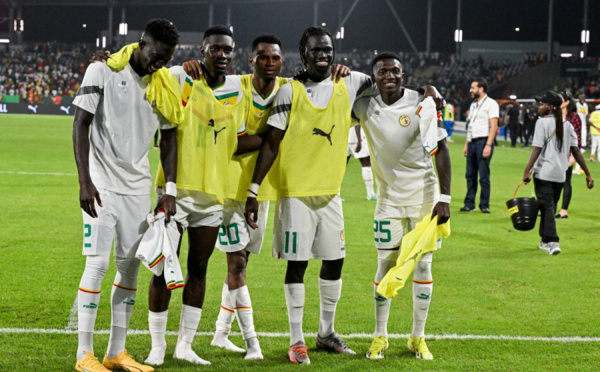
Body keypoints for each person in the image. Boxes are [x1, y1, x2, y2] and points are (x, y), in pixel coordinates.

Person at [181, 34, 349, 359]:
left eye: (275, 58)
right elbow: (235, 143)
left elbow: (317, 83)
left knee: (242, 260)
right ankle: (252, 344)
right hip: (230, 190)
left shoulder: (287, 87)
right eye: (263, 58)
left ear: (282, 62)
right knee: (236, 263)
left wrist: (338, 72)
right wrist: (278, 135)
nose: (269, 63)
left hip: (263, 189)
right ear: (251, 60)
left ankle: (220, 332)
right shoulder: (236, 88)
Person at [244, 26, 378, 365]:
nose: (324, 55)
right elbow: (272, 142)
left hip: (331, 194)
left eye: (329, 50)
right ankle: (296, 340)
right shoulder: (289, 90)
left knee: (335, 260)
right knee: (298, 263)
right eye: (317, 50)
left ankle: (326, 333)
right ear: (303, 54)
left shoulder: (349, 81)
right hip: (296, 194)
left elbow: (388, 81)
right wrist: (254, 190)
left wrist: (427, 92)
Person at [144, 25, 261, 366]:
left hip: (214, 195)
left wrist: (273, 139)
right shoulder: (181, 77)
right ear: (203, 50)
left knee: (198, 268)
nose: (222, 55)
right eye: (215, 49)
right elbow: (150, 74)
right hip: (176, 192)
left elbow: (237, 140)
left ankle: (185, 345)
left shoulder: (238, 92)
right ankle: (157, 346)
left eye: (227, 50)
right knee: (164, 269)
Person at [72, 19, 181, 372]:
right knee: (98, 263)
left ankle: (116, 352)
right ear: (141, 43)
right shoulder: (101, 70)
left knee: (130, 269)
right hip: (102, 184)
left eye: (166, 58)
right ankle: (83, 354)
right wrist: (84, 181)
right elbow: (80, 123)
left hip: (138, 187)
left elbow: (169, 140)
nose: (159, 63)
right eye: (155, 55)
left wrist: (169, 191)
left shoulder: (163, 84)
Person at [352, 52, 450, 361]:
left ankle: (417, 337)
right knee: (386, 263)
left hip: (424, 198)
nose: (389, 75)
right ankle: (380, 335)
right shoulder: (364, 104)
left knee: (423, 265)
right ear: (375, 76)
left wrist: (444, 198)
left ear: (403, 76)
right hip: (388, 200)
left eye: (395, 71)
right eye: (383, 71)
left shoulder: (421, 103)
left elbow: (441, 149)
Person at [523, 91, 593, 255]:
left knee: (547, 208)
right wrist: (588, 174)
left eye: (542, 104)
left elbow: (537, 149)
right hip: (560, 175)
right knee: (549, 207)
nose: (540, 106)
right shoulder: (567, 125)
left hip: (543, 174)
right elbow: (576, 151)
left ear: (551, 107)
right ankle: (544, 240)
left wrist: (527, 170)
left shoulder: (542, 123)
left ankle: (553, 241)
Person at [461, 78, 499, 213]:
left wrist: (488, 145)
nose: (470, 90)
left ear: (481, 88)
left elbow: (494, 126)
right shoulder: (473, 105)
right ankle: (469, 204)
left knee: (483, 176)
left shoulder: (491, 104)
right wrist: (466, 145)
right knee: (470, 175)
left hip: (483, 142)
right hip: (472, 142)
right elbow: (470, 126)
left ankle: (484, 205)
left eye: (473, 88)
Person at [555, 91, 581, 219]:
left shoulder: (574, 117)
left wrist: (572, 157)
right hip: (554, 153)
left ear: (567, 102)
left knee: (566, 182)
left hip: (567, 154)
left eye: (560, 99)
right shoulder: (555, 115)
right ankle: (551, 208)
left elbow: (577, 139)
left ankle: (563, 210)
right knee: (552, 182)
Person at [347, 123, 377, 200]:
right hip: (356, 137)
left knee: (341, 167)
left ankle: (336, 195)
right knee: (366, 163)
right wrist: (359, 139)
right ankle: (370, 194)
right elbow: (357, 120)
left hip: (344, 136)